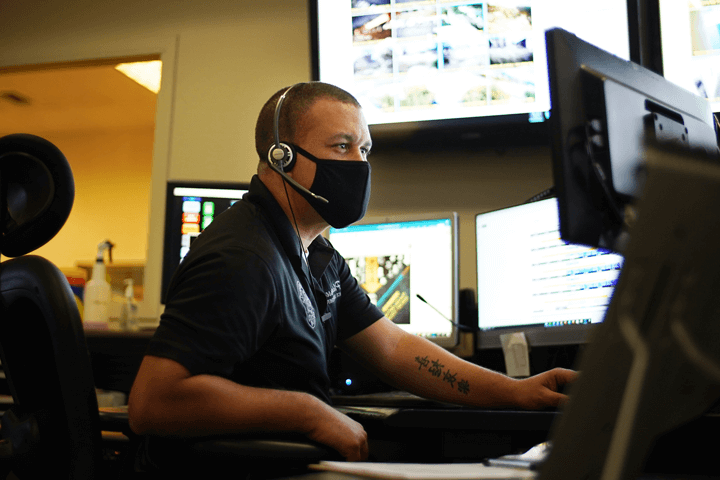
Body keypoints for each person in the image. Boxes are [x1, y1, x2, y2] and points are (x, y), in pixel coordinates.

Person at [128, 82, 575, 463]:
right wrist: (305, 411)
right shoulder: (243, 258)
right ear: (281, 157)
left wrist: (517, 391)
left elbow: (394, 348)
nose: (360, 165)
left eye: (365, 149)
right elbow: (154, 402)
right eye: (342, 146)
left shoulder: (318, 256)